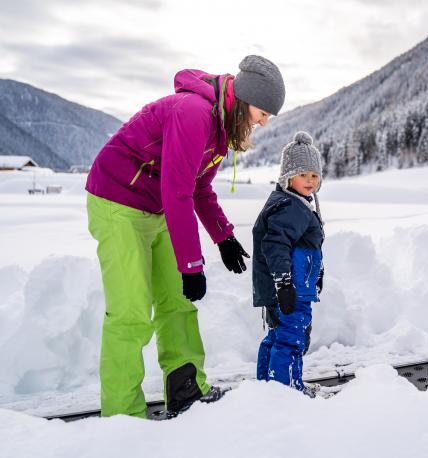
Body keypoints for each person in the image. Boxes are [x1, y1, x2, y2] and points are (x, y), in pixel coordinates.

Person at [85, 55, 285, 418]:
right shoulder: (194, 113)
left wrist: (223, 235)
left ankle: (186, 388)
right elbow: (177, 190)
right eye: (263, 111)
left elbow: (198, 188)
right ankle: (121, 414)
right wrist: (191, 264)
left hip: (156, 206)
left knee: (176, 302)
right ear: (246, 98)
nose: (263, 120)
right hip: (116, 200)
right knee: (131, 311)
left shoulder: (221, 129)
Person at [253, 131, 325, 393]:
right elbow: (275, 245)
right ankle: (288, 392)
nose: (310, 181)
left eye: (314, 175)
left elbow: (307, 246)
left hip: (293, 287)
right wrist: (284, 284)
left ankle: (267, 387)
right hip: (293, 291)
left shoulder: (293, 202)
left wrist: (318, 273)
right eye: (303, 175)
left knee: (275, 337)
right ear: (287, 176)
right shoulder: (291, 208)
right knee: (291, 340)